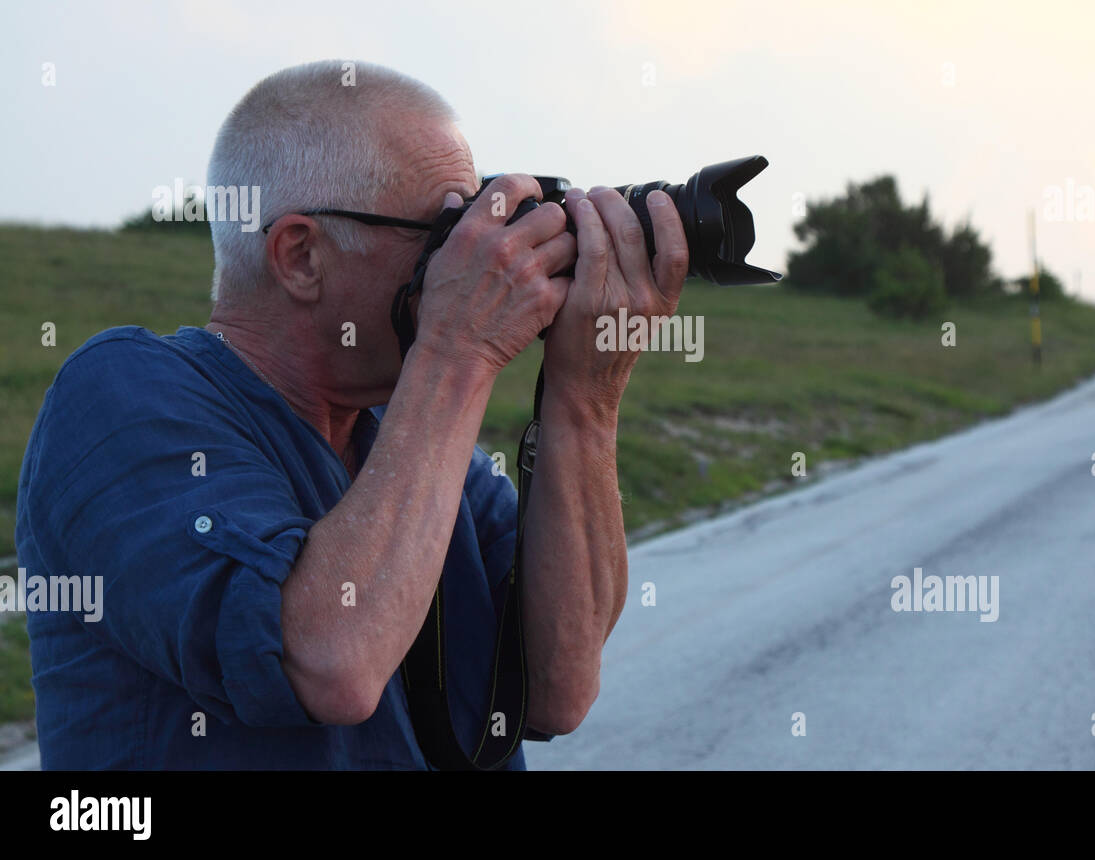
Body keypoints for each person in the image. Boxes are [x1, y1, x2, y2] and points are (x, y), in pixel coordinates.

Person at [15, 60, 689, 769]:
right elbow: (328, 664)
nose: (479, 256)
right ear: (301, 256)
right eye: (449, 228)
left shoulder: (424, 456)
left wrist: (586, 397)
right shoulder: (121, 397)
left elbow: (558, 688)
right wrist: (459, 352)